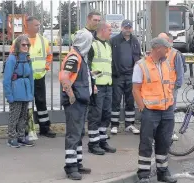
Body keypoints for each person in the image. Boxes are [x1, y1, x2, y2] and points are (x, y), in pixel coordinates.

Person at [133, 37, 177, 183]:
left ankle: (162, 173)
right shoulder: (141, 65)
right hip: (150, 111)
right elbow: (136, 89)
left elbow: (169, 85)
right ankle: (143, 175)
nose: (168, 51)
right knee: (146, 143)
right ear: (158, 48)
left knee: (164, 142)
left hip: (167, 110)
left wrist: (170, 104)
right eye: (166, 48)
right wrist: (142, 108)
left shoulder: (166, 65)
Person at [10, 16, 56, 138]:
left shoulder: (43, 40)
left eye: (39, 25)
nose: (38, 27)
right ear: (28, 26)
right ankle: (24, 129)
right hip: (24, 78)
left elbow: (49, 56)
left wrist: (45, 67)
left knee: (41, 103)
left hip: (39, 77)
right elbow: (12, 58)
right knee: (24, 104)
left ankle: (45, 128)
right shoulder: (18, 41)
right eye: (36, 25)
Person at [59, 30, 96, 180]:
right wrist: (71, 96)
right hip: (75, 101)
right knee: (74, 134)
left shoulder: (79, 56)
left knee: (79, 133)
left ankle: (77, 163)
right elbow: (64, 77)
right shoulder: (75, 56)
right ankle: (70, 167)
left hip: (80, 100)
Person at [86, 21, 117, 155]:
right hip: (97, 86)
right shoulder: (92, 45)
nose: (111, 32)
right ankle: (93, 143)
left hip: (108, 85)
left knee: (106, 114)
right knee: (95, 115)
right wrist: (93, 84)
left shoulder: (108, 45)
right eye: (109, 30)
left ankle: (102, 140)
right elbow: (88, 67)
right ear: (103, 30)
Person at [110, 19, 142, 135]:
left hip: (131, 76)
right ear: (121, 28)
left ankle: (130, 125)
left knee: (130, 101)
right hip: (118, 75)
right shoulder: (114, 40)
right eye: (125, 27)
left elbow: (138, 56)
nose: (127, 29)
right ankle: (114, 125)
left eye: (129, 27)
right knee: (116, 100)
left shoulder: (135, 41)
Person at [3, 35, 35, 148]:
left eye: (27, 44)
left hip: (26, 93)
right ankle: (12, 138)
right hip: (16, 93)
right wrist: (9, 95)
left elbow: (31, 77)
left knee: (23, 117)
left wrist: (31, 93)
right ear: (18, 45)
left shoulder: (27, 58)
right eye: (23, 44)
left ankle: (21, 137)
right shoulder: (12, 59)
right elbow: (6, 79)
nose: (26, 46)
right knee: (14, 117)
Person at [157, 32, 184, 141]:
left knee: (170, 111)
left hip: (171, 88)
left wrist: (177, 86)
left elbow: (180, 71)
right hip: (159, 88)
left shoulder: (175, 53)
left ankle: (170, 132)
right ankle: (160, 132)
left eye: (162, 40)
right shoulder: (157, 52)